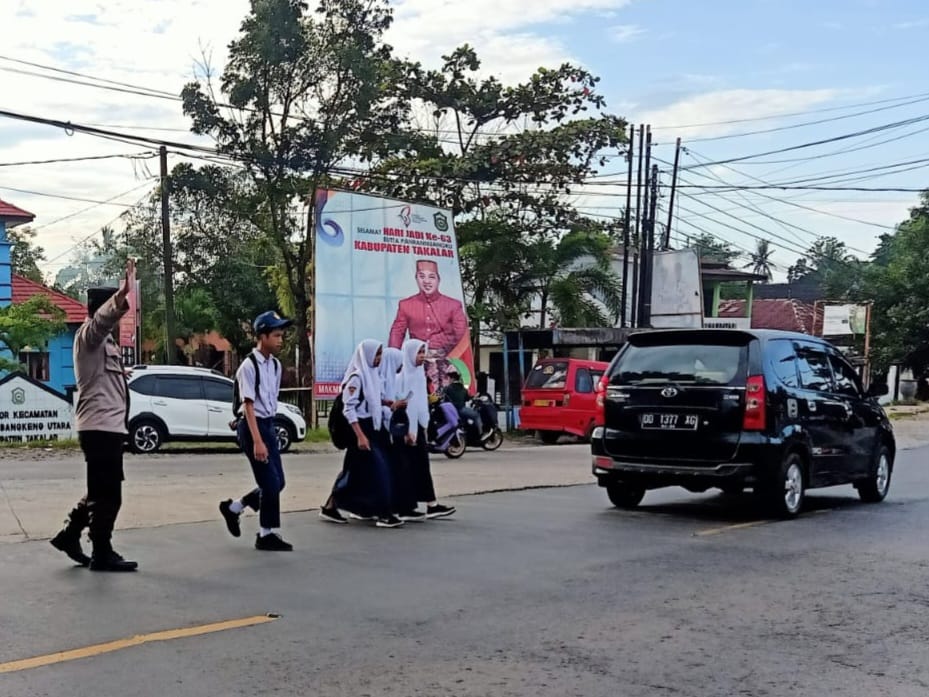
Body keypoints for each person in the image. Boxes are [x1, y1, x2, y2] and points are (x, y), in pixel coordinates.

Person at [50, 259, 138, 572]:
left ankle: (70, 534)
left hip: (109, 427)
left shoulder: (105, 345)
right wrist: (122, 294)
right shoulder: (89, 335)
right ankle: (101, 551)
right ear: (104, 309)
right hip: (100, 428)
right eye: (117, 309)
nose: (120, 315)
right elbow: (101, 321)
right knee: (109, 495)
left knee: (101, 490)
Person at [218, 311, 294, 552]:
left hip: (267, 425)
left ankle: (235, 508)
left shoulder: (275, 365)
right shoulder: (248, 367)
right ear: (262, 336)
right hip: (253, 428)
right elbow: (248, 405)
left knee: (278, 482)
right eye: (276, 335)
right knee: (270, 484)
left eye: (282, 335)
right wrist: (258, 441)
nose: (281, 340)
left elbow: (268, 400)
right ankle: (266, 534)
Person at [319, 340, 404, 529]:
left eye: (380, 355)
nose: (379, 359)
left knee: (354, 471)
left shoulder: (372, 375)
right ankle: (384, 514)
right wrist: (360, 435)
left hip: (372, 428)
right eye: (376, 355)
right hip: (360, 429)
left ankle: (331, 506)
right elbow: (349, 409)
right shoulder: (356, 377)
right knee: (379, 471)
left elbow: (371, 400)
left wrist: (387, 403)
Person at [398, 339, 456, 520]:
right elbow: (401, 407)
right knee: (406, 469)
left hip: (419, 429)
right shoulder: (401, 378)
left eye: (423, 352)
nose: (422, 356)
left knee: (422, 466)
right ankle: (407, 507)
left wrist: (424, 426)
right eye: (419, 352)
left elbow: (421, 404)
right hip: (406, 431)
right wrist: (407, 431)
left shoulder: (419, 375)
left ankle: (431, 505)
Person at [388, 259, 468, 355]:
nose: (426, 281)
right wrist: (393, 357)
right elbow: (397, 332)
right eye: (421, 276)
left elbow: (462, 336)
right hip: (416, 359)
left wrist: (456, 359)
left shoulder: (453, 305)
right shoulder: (405, 305)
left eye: (431, 277)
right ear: (416, 279)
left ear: (438, 280)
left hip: (447, 360)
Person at [443, 369, 486, 440]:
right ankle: (481, 435)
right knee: (476, 415)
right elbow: (467, 398)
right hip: (461, 409)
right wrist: (474, 397)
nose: (449, 380)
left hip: (451, 411)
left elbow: (445, 399)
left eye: (449, 378)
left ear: (452, 379)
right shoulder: (462, 388)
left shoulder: (448, 388)